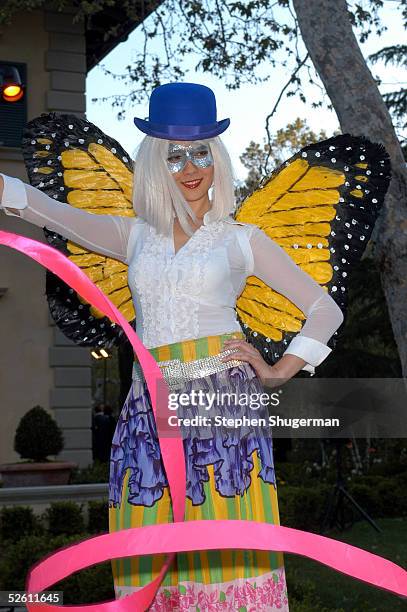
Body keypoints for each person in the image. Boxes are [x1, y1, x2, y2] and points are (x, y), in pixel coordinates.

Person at [0, 82, 343, 610]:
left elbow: (326, 309)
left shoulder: (241, 239)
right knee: (149, 548)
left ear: (218, 158)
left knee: (224, 552)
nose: (189, 167)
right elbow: (44, 209)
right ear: (157, 163)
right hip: (147, 407)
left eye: (201, 152)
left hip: (221, 408)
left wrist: (279, 371)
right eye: (174, 155)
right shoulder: (134, 235)